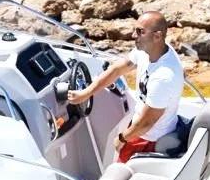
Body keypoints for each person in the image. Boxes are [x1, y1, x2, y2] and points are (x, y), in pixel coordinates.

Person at [67, 11, 185, 163]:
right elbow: (117, 69)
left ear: (157, 35)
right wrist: (86, 93)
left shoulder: (163, 78)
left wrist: (122, 138)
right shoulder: (149, 50)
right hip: (140, 128)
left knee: (120, 172)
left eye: (140, 32)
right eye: (135, 30)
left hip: (149, 138)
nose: (133, 36)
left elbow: (146, 123)